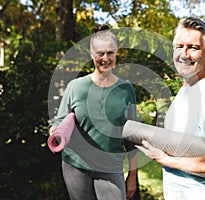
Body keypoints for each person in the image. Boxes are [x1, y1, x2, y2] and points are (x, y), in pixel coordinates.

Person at [136, 17, 205, 200]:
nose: (183, 54)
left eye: (193, 47)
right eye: (179, 46)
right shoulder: (188, 88)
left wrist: (167, 160)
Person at [49, 24, 138, 200]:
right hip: (76, 166)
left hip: (111, 169)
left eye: (110, 53)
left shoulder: (126, 89)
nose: (106, 58)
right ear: (91, 54)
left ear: (116, 53)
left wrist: (132, 176)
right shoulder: (75, 87)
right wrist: (55, 130)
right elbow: (58, 121)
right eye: (100, 53)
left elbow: (131, 138)